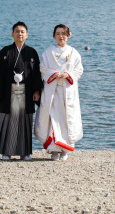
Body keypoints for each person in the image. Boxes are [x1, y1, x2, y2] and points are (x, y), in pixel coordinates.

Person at [0, 21, 42, 160]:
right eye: (17, 31)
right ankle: (7, 151)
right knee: (7, 120)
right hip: (8, 91)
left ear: (27, 35)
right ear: (12, 34)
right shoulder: (5, 52)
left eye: (22, 31)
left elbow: (36, 74)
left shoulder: (32, 52)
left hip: (27, 91)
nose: (20, 34)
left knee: (25, 120)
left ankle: (25, 152)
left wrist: (37, 91)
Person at [34, 24, 83, 160]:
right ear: (54, 36)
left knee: (67, 118)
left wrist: (68, 74)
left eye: (63, 33)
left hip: (67, 90)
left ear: (68, 35)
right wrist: (54, 74)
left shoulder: (74, 52)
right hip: (52, 90)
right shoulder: (48, 52)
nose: (61, 36)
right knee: (53, 117)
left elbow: (78, 70)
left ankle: (65, 149)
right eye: (58, 34)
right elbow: (42, 68)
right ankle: (54, 149)